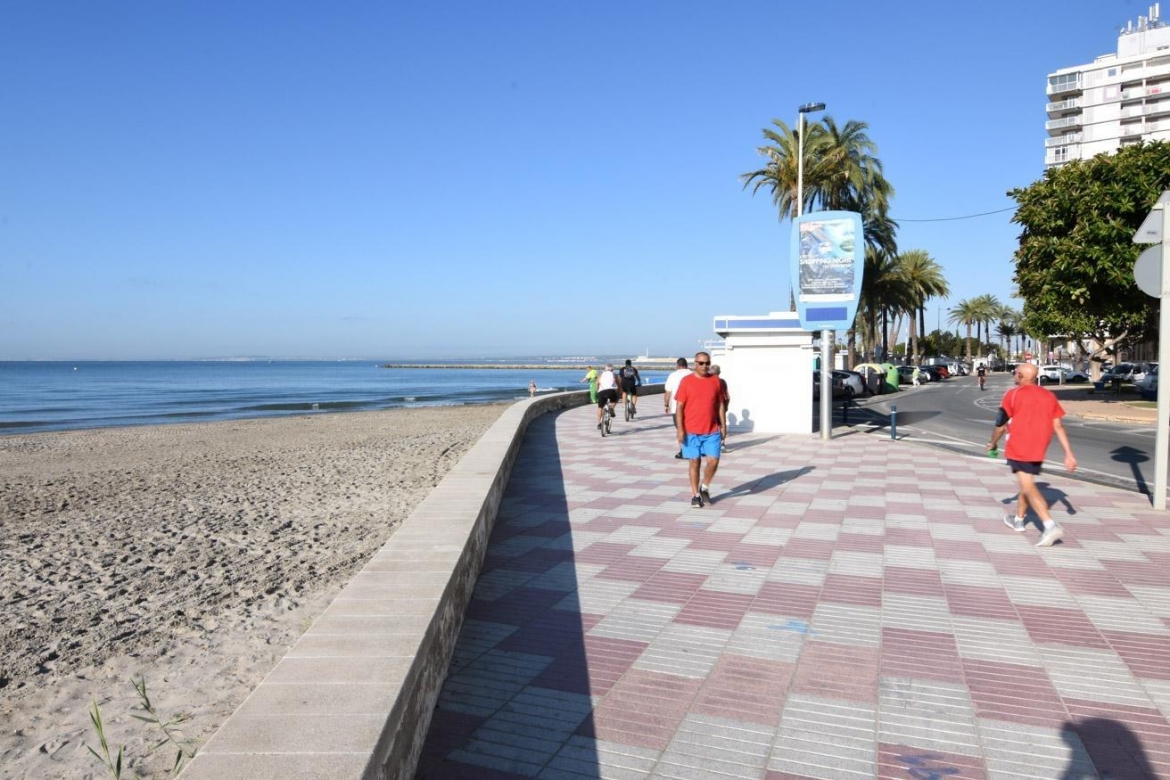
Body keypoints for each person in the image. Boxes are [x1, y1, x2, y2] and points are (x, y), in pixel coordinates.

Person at [987, 362, 1077, 547]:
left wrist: (992, 443)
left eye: (1015, 373)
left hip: (1020, 446)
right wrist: (1068, 454)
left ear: (1020, 376)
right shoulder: (1049, 395)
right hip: (1039, 448)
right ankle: (1019, 520)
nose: (1014, 375)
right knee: (1026, 482)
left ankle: (1049, 525)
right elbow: (1058, 425)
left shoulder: (1012, 394)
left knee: (1027, 485)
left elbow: (1000, 425)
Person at [674, 351, 728, 507]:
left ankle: (704, 486)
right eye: (701, 363)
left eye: (707, 363)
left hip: (712, 430)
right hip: (691, 431)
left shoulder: (715, 381)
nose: (704, 366)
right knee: (694, 461)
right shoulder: (686, 381)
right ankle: (695, 495)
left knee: (714, 461)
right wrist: (680, 429)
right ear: (695, 364)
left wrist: (723, 425)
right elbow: (679, 407)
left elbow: (720, 405)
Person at [663, 358, 689, 458]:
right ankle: (693, 449)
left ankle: (683, 451)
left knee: (680, 429)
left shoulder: (673, 375)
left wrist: (666, 405)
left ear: (677, 366)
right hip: (691, 407)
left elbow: (667, 392)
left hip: (676, 407)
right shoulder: (692, 374)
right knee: (691, 428)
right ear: (686, 365)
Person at [710, 364, 729, 452]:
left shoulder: (709, 381)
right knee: (722, 425)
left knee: (711, 425)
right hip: (722, 406)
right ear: (719, 372)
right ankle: (722, 443)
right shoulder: (723, 382)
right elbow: (728, 396)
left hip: (711, 407)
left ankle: (711, 443)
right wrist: (726, 406)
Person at [595, 364, 620, 429]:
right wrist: (619, 392)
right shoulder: (614, 375)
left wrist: (597, 391)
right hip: (611, 391)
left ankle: (599, 423)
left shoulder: (601, 375)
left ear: (605, 369)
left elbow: (597, 383)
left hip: (601, 392)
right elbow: (618, 384)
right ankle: (612, 408)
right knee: (616, 398)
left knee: (600, 407)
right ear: (612, 370)